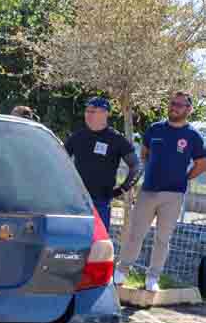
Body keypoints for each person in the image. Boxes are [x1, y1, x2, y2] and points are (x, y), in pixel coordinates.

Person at [117, 91, 206, 291]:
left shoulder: (193, 136)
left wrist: (185, 177)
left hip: (174, 195)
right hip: (148, 191)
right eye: (173, 103)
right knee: (135, 234)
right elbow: (145, 153)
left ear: (189, 109)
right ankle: (121, 272)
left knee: (162, 238)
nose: (174, 107)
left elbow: (201, 163)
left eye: (180, 105)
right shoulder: (154, 129)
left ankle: (152, 278)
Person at [64, 97, 142, 230]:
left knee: (99, 245)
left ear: (105, 113)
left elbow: (136, 167)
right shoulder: (77, 137)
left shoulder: (116, 139)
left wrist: (122, 189)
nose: (88, 114)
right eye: (87, 111)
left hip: (101, 202)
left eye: (93, 111)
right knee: (72, 242)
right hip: (76, 200)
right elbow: (60, 161)